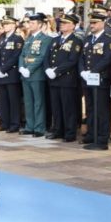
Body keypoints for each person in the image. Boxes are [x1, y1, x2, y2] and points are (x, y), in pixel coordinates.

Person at [79, 10, 111, 150]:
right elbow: (82, 57)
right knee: (90, 107)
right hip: (87, 79)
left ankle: (102, 137)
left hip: (100, 79)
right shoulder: (88, 39)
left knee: (102, 109)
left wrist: (93, 71)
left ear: (103, 23)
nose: (92, 25)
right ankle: (91, 133)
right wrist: (83, 71)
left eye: (95, 22)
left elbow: (108, 58)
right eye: (91, 22)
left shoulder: (109, 39)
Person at [45, 14, 84, 142]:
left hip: (67, 79)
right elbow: (47, 56)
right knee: (56, 107)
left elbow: (72, 60)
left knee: (68, 107)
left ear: (73, 25)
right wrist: (47, 69)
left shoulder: (76, 41)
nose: (62, 25)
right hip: (54, 79)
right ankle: (58, 130)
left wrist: (56, 71)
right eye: (61, 23)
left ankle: (69, 132)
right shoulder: (55, 40)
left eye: (65, 23)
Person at [18, 14, 51, 137]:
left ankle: (39, 127)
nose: (30, 25)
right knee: (28, 102)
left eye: (32, 23)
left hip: (37, 75)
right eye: (29, 23)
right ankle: (29, 126)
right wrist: (21, 67)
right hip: (25, 74)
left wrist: (29, 69)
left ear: (40, 24)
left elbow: (41, 56)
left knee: (38, 102)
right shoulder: (28, 39)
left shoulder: (45, 39)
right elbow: (22, 55)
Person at [0, 19, 24, 133]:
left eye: (7, 24)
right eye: (4, 24)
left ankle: (14, 123)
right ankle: (5, 123)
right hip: (1, 74)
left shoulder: (17, 39)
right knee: (3, 100)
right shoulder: (2, 39)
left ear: (14, 25)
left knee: (13, 100)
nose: (5, 26)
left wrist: (3, 69)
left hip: (11, 73)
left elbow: (15, 56)